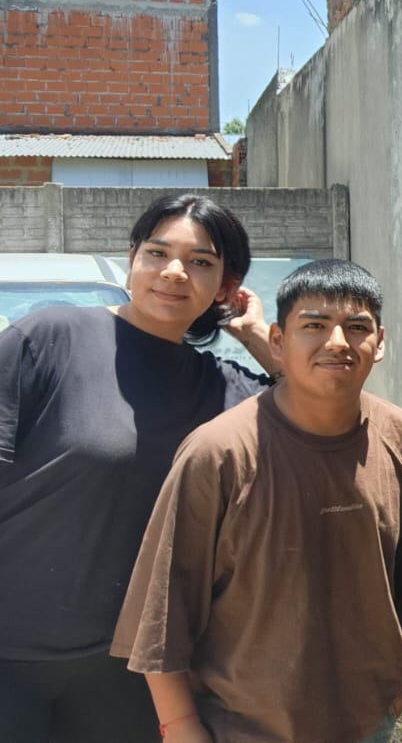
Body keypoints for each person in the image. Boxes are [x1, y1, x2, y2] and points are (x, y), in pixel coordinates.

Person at [111, 259, 402, 742]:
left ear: (379, 343)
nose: (337, 342)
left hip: (367, 722)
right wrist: (181, 727)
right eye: (314, 325)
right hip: (244, 726)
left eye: (356, 327)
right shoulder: (219, 453)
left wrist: (398, 687)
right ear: (277, 340)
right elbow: (164, 614)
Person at [0, 193, 277, 743]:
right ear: (132, 258)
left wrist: (255, 336)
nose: (174, 271)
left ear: (226, 287)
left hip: (129, 672)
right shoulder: (49, 339)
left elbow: (320, 410)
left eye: (200, 262)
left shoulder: (224, 390)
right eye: (157, 252)